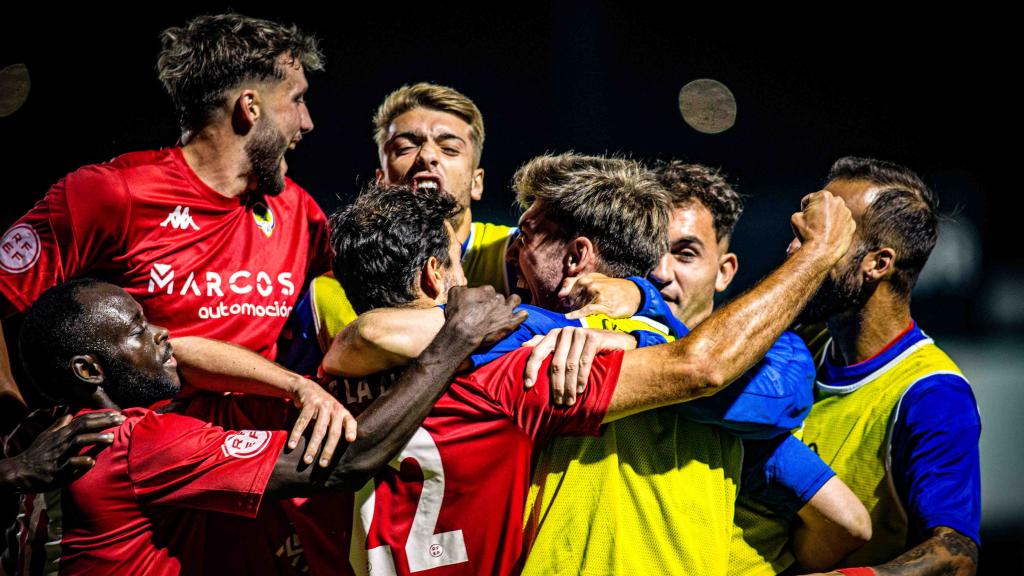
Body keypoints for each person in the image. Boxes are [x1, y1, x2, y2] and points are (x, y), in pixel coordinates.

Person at [325, 178, 853, 574]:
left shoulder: (536, 347)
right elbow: (847, 521)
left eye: (526, 236)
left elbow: (368, 335)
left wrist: (639, 326)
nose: (664, 272)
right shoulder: (545, 346)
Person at [0, 13, 350, 575]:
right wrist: (19, 434)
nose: (307, 122)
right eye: (298, 99)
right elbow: (3, 296)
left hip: (258, 480)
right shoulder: (111, 193)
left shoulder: (299, 212)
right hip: (138, 503)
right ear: (250, 107)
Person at [12, 278, 523, 575]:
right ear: (88, 370)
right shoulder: (137, 445)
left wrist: (298, 386)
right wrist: (456, 337)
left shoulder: (36, 435)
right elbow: (348, 462)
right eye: (138, 330)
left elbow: (183, 358)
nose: (164, 334)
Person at [788, 157, 979, 576]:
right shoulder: (801, 344)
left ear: (878, 263)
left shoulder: (931, 392)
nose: (794, 250)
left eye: (827, 235)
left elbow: (956, 554)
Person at [279, 82, 518, 376]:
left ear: (477, 182)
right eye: (406, 147)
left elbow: (587, 315)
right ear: (379, 183)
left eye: (449, 148)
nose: (427, 156)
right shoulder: (328, 291)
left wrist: (589, 317)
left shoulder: (514, 253)